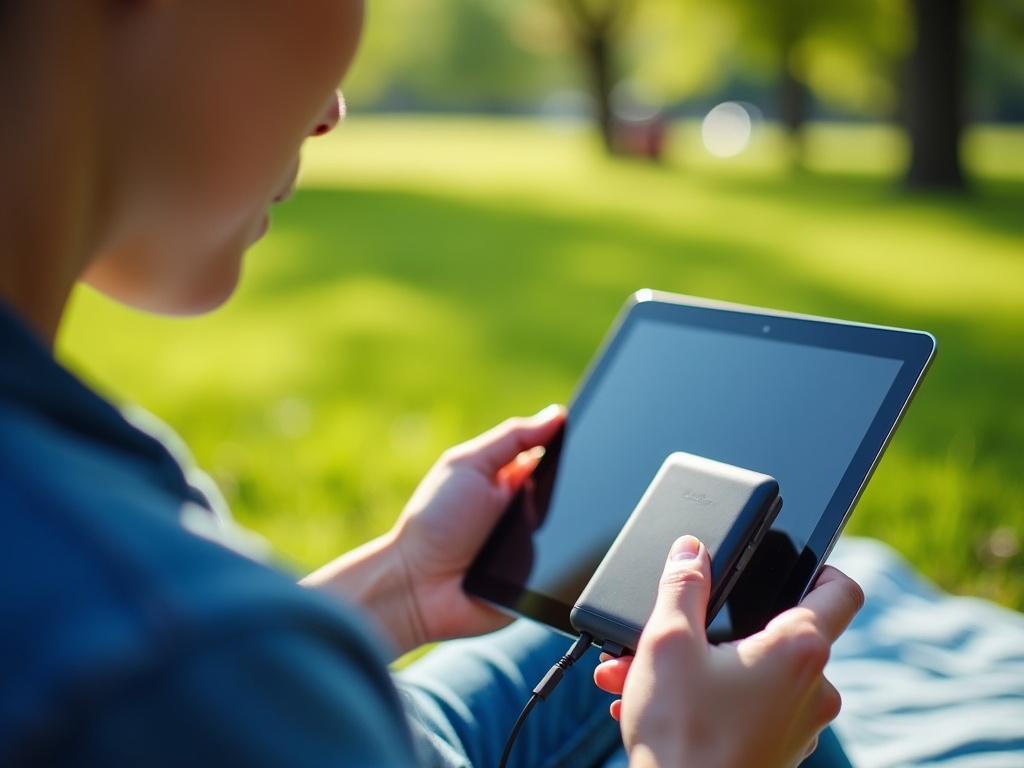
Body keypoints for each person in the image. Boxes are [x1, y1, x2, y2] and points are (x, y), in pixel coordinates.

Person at [0, 1, 864, 767]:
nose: (332, 111)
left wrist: (398, 586)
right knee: (761, 663)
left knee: (700, 648)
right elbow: (187, 670)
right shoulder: (168, 657)